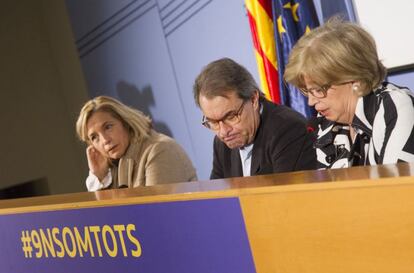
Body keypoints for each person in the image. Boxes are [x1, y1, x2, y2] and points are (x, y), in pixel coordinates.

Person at [284, 18, 414, 169]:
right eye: (307, 91)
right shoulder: (329, 124)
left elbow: (398, 188)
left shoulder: (395, 107)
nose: (311, 102)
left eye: (319, 90)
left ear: (354, 79)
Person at [193, 58, 316, 179]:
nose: (223, 132)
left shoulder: (288, 130)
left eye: (231, 116)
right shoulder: (222, 144)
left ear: (253, 99)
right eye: (213, 122)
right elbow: (218, 197)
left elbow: (286, 197)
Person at [76, 96, 197, 191]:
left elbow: (157, 216)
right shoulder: (112, 167)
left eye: (108, 127)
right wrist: (100, 177)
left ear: (125, 122)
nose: (105, 140)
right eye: (94, 137)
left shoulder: (159, 150)